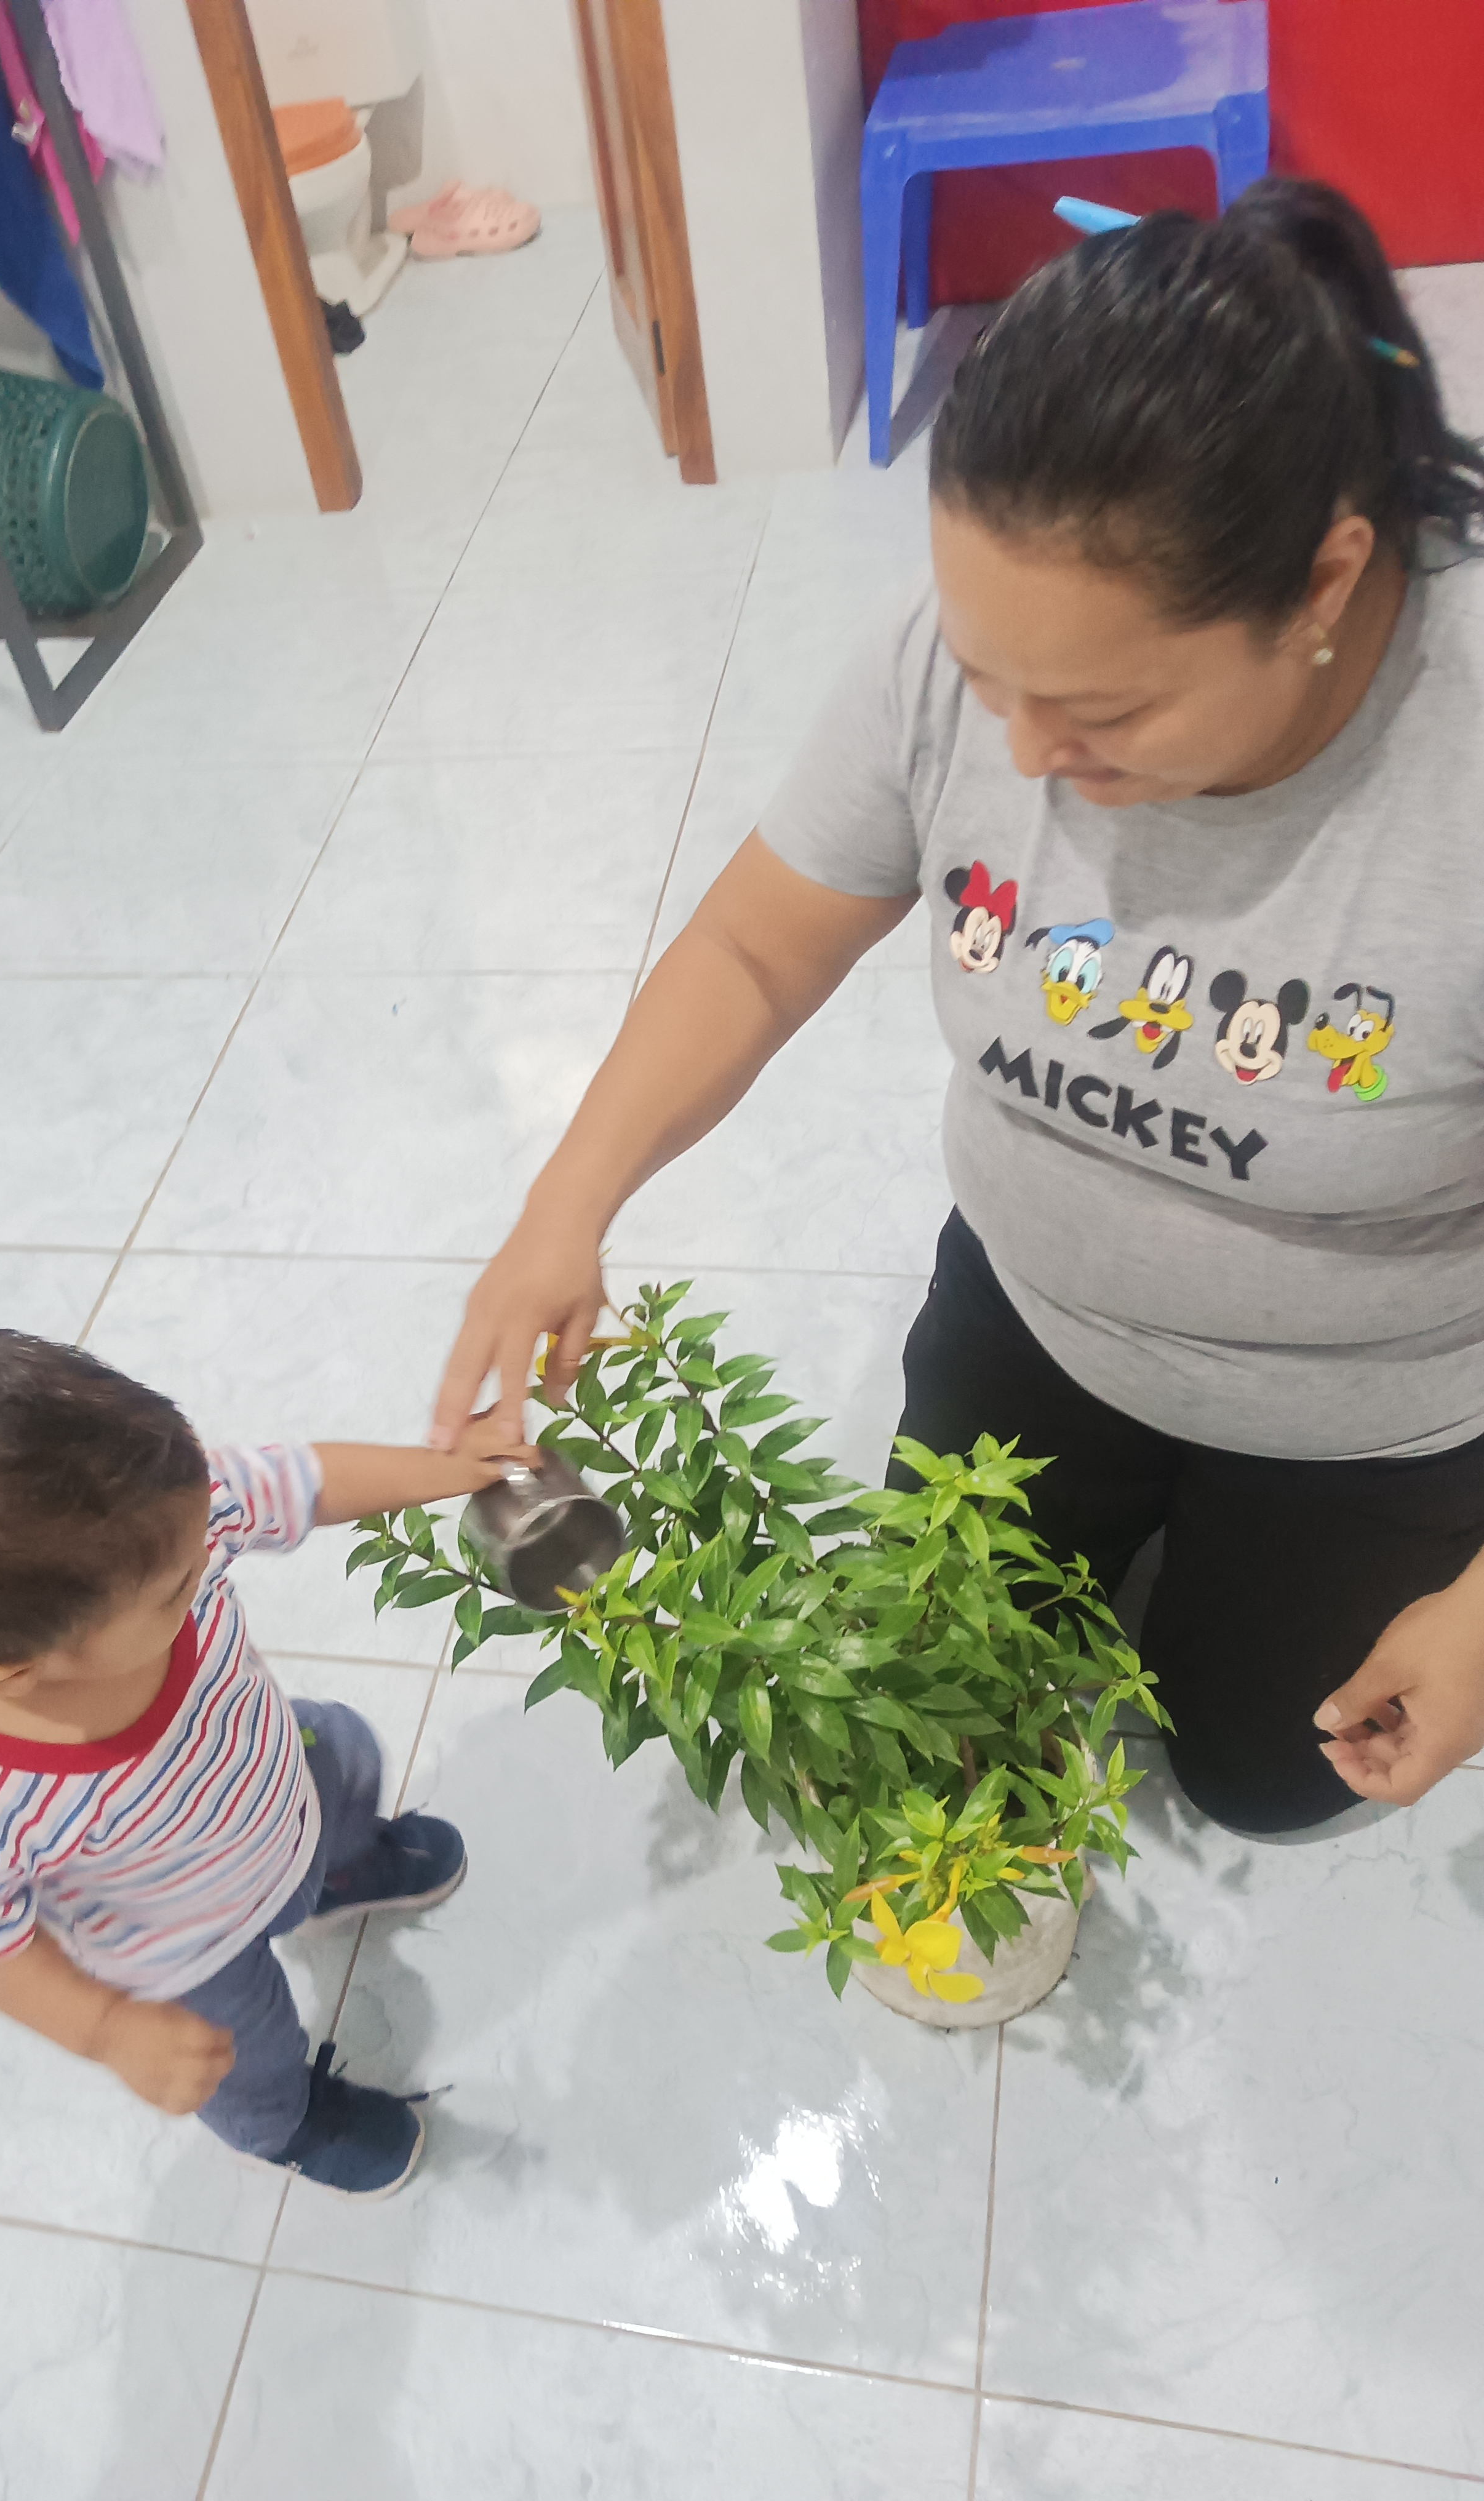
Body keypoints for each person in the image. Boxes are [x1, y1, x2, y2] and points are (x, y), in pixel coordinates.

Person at [431, 178, 1484, 1840]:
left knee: (1264, 1776)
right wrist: (569, 1201)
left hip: (1370, 1407)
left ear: (1323, 585)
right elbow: (756, 946)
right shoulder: (970, 655)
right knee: (947, 1677)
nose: (1026, 755)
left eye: (1102, 709)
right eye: (994, 684)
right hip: (1042, 1315)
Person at [0, 1328, 535, 2198]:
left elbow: (304, 1481)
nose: (212, 1546)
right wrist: (110, 2029)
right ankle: (286, 2126)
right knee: (247, 2057)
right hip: (190, 1954)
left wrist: (445, 1470)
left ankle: (329, 1880)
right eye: (179, 1588)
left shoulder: (158, 1521)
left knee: (348, 1755)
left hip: (277, 1783)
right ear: (18, 1666)